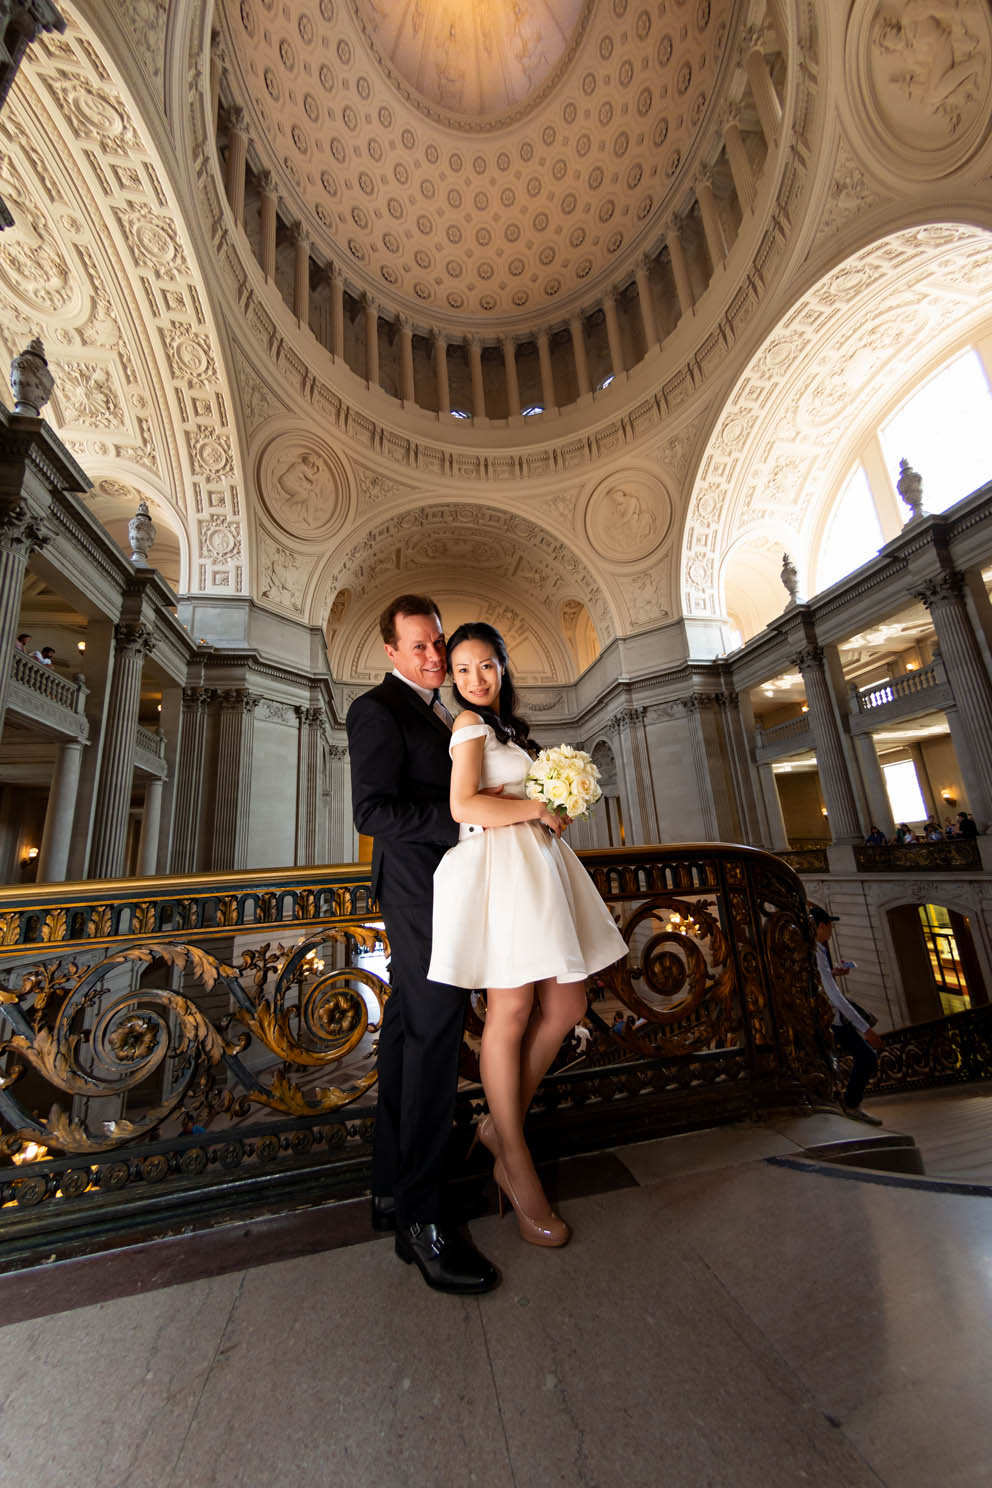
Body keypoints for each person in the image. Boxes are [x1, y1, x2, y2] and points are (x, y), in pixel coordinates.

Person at [428, 622, 628, 1248]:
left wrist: (554, 809)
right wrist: (533, 807)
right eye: (461, 670)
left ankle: (497, 1126)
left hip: (537, 864)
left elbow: (510, 796)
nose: (474, 679)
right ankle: (516, 1161)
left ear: (503, 668)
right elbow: (464, 806)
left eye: (485, 665)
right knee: (510, 1009)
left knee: (568, 1002)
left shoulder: (509, 730)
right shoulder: (467, 727)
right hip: (500, 869)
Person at [347, 594, 498, 1296]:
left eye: (438, 644)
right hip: (418, 891)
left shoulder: (443, 709)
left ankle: (390, 1191)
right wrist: (464, 818)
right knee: (437, 1040)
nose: (434, 657)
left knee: (411, 1036)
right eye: (420, 648)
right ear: (391, 653)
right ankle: (426, 1222)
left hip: (449, 886)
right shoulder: (376, 709)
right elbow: (372, 811)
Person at [810, 905, 883, 1125]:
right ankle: (849, 1105)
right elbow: (834, 996)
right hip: (832, 1020)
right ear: (821, 926)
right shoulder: (815, 950)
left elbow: (822, 982)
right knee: (866, 1057)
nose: (831, 930)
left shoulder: (817, 950)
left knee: (845, 1060)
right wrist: (866, 1029)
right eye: (830, 925)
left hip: (834, 1019)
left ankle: (847, 1104)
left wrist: (831, 974)